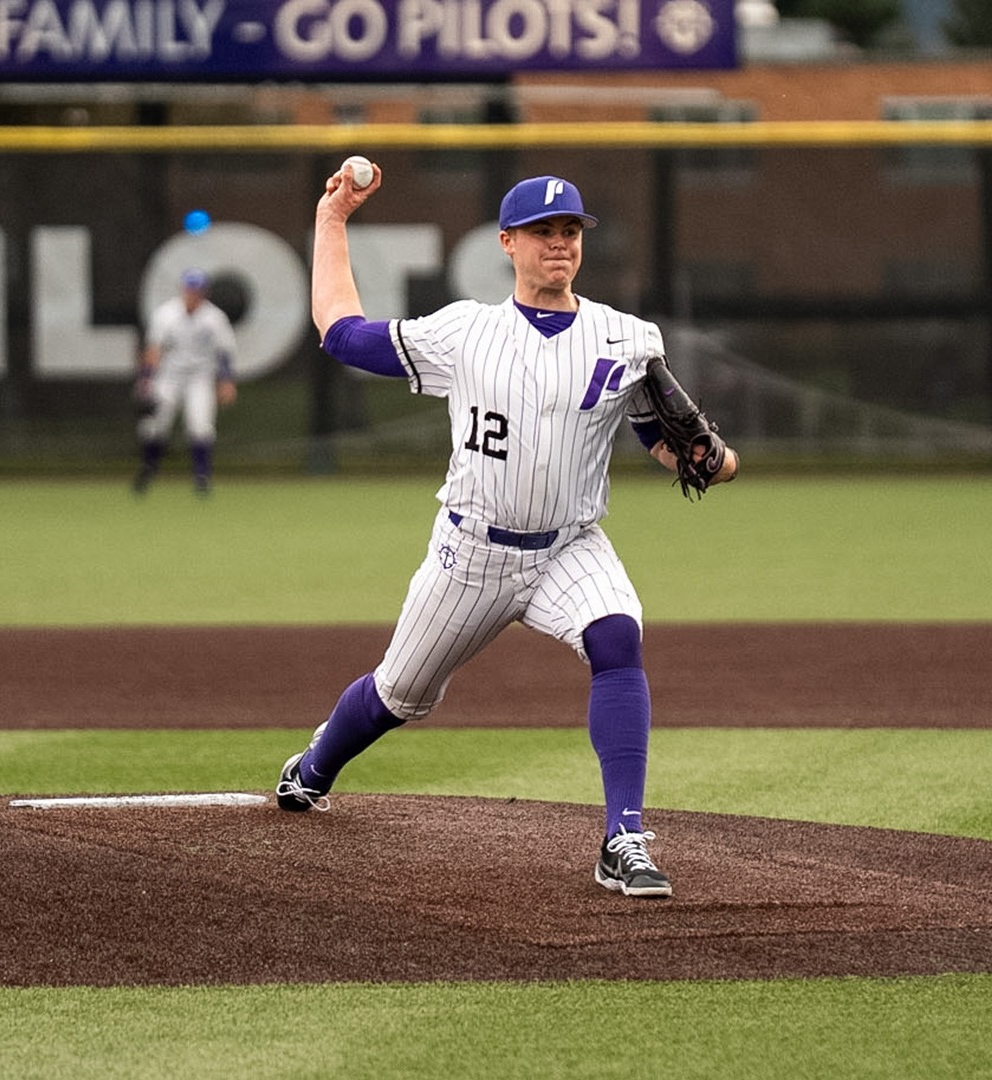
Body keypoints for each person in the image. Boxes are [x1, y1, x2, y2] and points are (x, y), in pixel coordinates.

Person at [273, 163, 740, 899]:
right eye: (542, 232)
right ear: (507, 243)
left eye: (570, 231)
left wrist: (714, 459)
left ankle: (623, 836)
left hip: (570, 546)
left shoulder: (628, 340)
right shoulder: (465, 333)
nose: (559, 243)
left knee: (617, 635)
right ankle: (314, 767)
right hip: (472, 554)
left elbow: (667, 441)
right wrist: (332, 221)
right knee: (400, 693)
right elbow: (340, 335)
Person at [133, 268, 237, 495]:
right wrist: (146, 380)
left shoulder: (214, 317)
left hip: (199, 377)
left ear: (204, 292)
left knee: (200, 426)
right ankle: (148, 469)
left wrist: (226, 381)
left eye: (197, 290)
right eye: (190, 289)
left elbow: (225, 351)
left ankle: (202, 477)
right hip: (169, 375)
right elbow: (153, 349)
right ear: (183, 289)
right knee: (154, 425)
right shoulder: (166, 314)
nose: (192, 294)